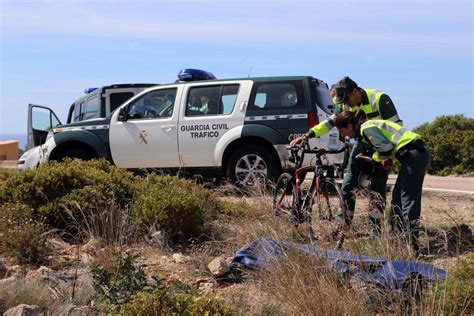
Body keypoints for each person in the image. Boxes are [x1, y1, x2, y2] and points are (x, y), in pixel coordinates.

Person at [290, 77, 403, 231]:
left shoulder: (379, 99)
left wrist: (389, 155)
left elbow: (397, 128)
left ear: (356, 91)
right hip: (362, 145)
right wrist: (308, 135)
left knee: (377, 189)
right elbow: (330, 123)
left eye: (348, 99)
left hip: (381, 148)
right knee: (348, 184)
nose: (346, 104)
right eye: (343, 102)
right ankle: (343, 223)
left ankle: (375, 229)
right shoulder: (344, 104)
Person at [334, 110, 430, 253]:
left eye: (343, 131)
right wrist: (384, 157)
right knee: (397, 198)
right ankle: (399, 242)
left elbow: (385, 149)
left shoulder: (367, 127)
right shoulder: (366, 128)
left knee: (407, 199)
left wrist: (375, 157)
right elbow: (387, 149)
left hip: (414, 155)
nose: (343, 135)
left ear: (349, 126)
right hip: (411, 155)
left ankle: (412, 247)